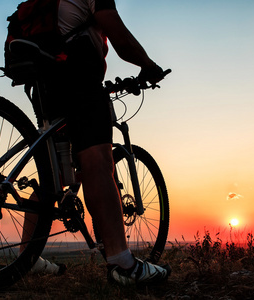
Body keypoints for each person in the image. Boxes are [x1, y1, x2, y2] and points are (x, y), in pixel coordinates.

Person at [24, 0, 171, 285]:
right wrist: (148, 65)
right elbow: (119, 38)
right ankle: (123, 265)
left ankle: (27, 256)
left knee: (52, 175)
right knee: (98, 162)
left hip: (46, 80)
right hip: (78, 72)